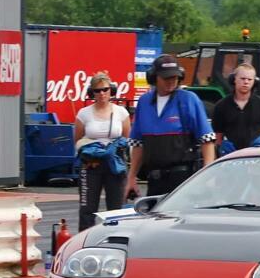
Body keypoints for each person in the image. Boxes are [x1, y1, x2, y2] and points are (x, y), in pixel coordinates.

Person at [126, 55, 216, 198]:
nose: (172, 81)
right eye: (166, 77)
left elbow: (207, 140)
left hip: (183, 178)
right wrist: (131, 177)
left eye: (175, 77)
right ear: (154, 77)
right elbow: (138, 144)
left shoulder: (189, 100)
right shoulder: (144, 102)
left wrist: (207, 175)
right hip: (154, 179)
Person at [74, 72, 131, 231]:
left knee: (116, 208)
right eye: (97, 90)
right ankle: (84, 242)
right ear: (91, 93)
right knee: (87, 209)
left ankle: (115, 240)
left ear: (111, 90)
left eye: (105, 89)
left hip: (114, 164)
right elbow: (77, 140)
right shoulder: (83, 114)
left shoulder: (121, 113)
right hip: (91, 165)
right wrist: (91, 154)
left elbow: (127, 138)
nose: (102, 93)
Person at [213, 63, 260, 156]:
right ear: (234, 79)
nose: (246, 82)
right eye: (243, 78)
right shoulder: (221, 106)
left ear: (254, 82)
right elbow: (218, 135)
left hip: (256, 157)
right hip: (231, 156)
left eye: (249, 79)